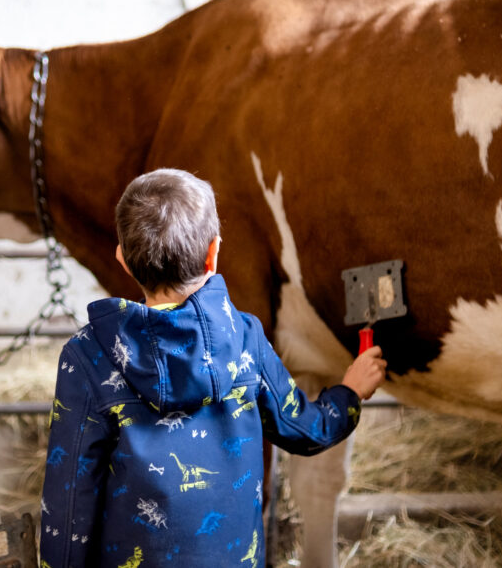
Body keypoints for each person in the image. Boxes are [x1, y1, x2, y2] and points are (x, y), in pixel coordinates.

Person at [39, 168, 387, 567]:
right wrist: (351, 392)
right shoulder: (245, 339)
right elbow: (305, 430)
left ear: (122, 259)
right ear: (213, 253)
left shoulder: (88, 355)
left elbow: (67, 502)